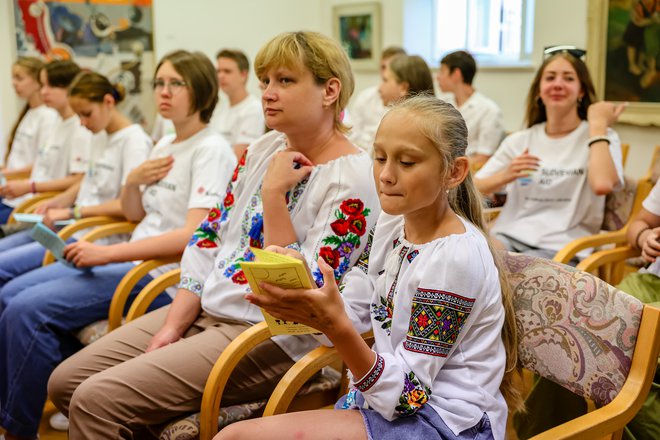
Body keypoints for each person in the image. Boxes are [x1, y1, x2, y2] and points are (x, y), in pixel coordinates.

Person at [48, 31, 380, 439]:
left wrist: (274, 196)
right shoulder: (262, 149)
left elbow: (300, 298)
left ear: (330, 90)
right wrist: (174, 323)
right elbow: (208, 237)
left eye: (285, 81)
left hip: (268, 335)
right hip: (208, 311)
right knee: (64, 382)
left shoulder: (353, 177)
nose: (268, 94)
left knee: (94, 401)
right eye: (265, 82)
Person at [216, 95, 521, 440]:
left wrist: (334, 325)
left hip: (445, 424)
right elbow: (354, 309)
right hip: (385, 402)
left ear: (454, 171)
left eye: (406, 162)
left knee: (233, 437)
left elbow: (408, 397)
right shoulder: (391, 224)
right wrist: (307, 296)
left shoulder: (455, 258)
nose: (386, 176)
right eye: (379, 158)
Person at [0, 49, 235, 440]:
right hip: (129, 260)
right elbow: (133, 212)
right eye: (159, 83)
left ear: (202, 90)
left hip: (160, 275)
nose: (164, 91)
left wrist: (105, 252)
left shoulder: (211, 149)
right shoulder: (164, 146)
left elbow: (195, 239)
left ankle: (17, 429)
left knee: (27, 310)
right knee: (10, 294)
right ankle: (21, 409)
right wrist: (133, 181)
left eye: (176, 83)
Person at [0, 70, 151, 290]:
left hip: (95, 237)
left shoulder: (135, 142)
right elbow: (87, 181)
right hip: (73, 228)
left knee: (6, 277)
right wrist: (59, 201)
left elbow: (127, 206)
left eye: (86, 114)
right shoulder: (99, 135)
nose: (82, 123)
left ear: (108, 102)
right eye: (78, 115)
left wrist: (73, 212)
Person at [474, 48, 625, 262]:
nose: (558, 84)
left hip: (563, 247)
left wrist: (598, 125)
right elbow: (471, 188)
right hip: (508, 236)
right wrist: (505, 175)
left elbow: (602, 184)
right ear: (539, 91)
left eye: (569, 78)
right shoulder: (520, 140)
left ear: (581, 91)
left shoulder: (601, 136)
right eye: (550, 77)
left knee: (515, 275)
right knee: (473, 258)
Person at [0, 57, 59, 222]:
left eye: (19, 78)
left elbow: (40, 164)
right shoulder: (29, 113)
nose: (13, 83)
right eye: (13, 78)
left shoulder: (48, 117)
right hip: (9, 192)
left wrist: (6, 173)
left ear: (38, 81)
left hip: (24, 198)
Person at [436, 50, 504, 168]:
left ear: (456, 74)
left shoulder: (489, 110)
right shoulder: (442, 103)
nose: (437, 77)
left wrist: (444, 167)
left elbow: (483, 158)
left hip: (468, 174)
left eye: (442, 71)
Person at [210, 49, 265, 159]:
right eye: (218, 71)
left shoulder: (254, 109)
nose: (220, 76)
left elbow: (239, 158)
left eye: (227, 71)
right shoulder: (219, 108)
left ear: (243, 75)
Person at [348, 46, 406, 151]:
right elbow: (352, 133)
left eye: (391, 67)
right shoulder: (366, 97)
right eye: (383, 67)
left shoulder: (409, 108)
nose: (385, 72)